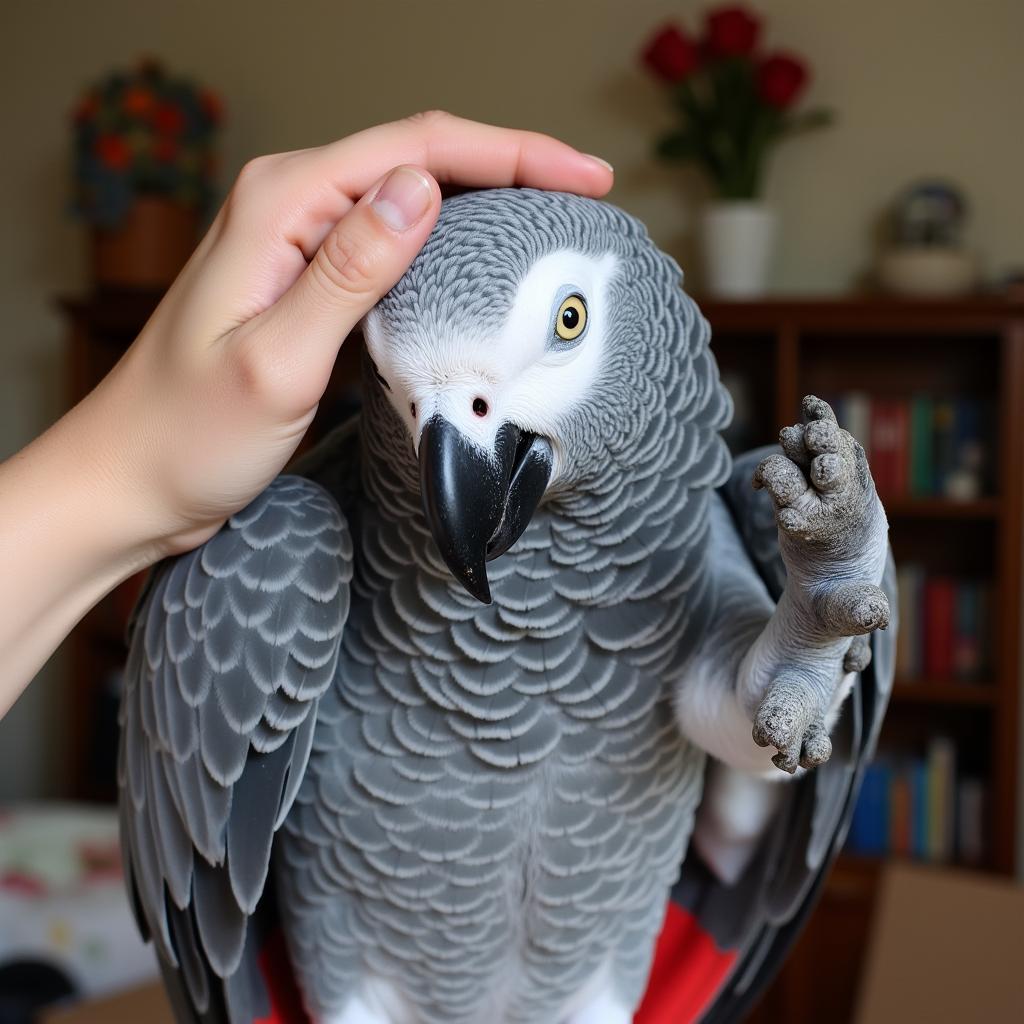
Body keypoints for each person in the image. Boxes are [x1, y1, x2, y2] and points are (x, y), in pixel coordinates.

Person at [0, 112, 613, 716]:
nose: (460, 417)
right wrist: (133, 479)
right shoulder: (280, 566)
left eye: (569, 320)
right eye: (394, 376)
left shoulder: (705, 567)